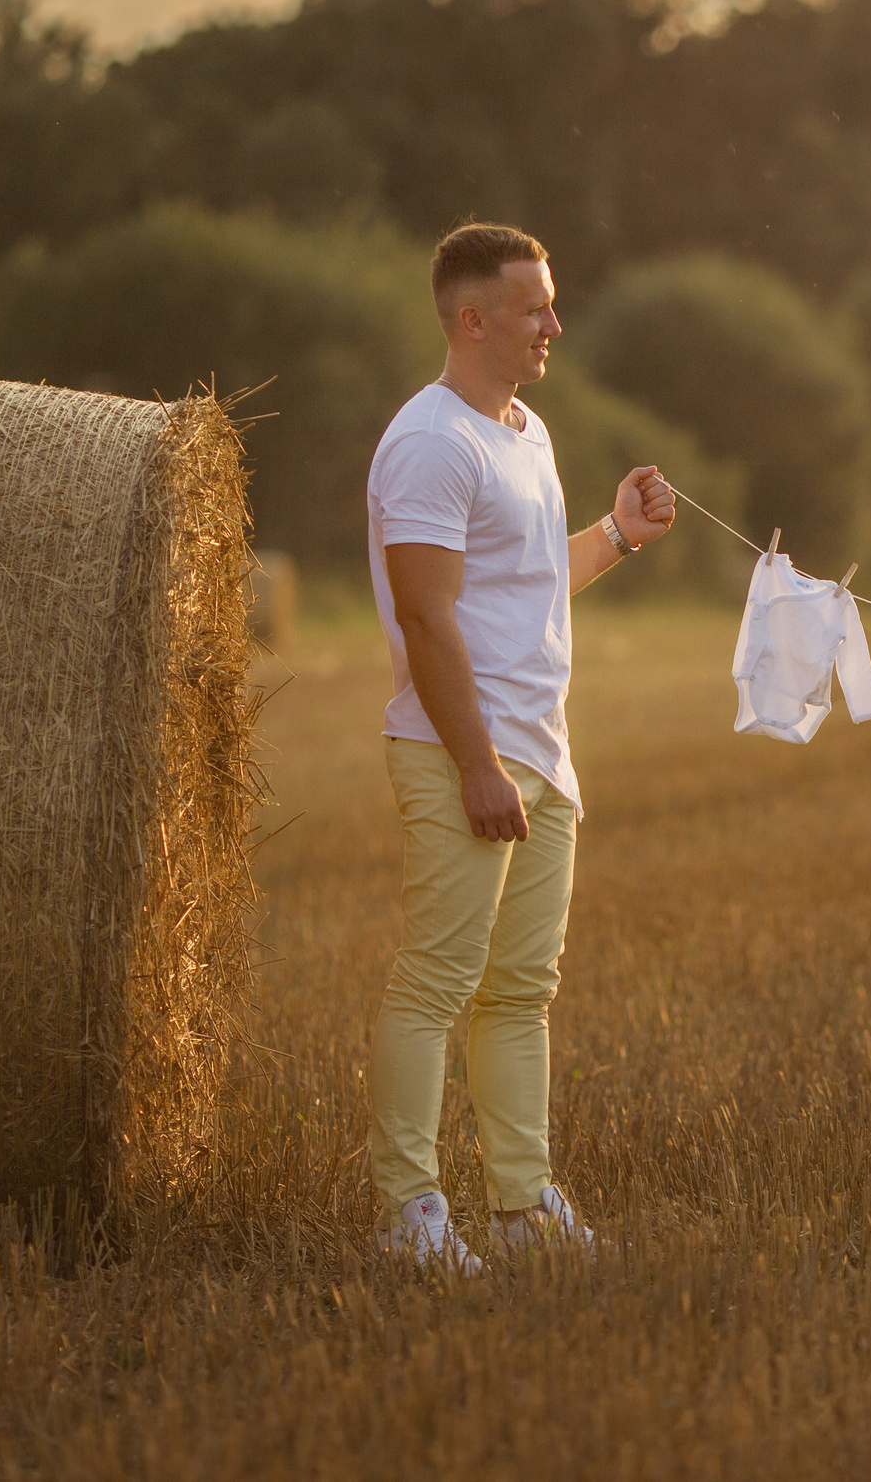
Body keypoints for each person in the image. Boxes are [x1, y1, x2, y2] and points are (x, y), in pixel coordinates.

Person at [365, 221, 676, 1275]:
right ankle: (409, 1217)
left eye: (551, 300)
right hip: (466, 753)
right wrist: (476, 764)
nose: (553, 320)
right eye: (534, 305)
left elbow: (535, 585)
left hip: (544, 753)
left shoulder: (526, 432)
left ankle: (519, 1204)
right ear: (472, 319)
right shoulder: (429, 443)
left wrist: (619, 533)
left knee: (518, 994)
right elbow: (427, 617)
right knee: (435, 985)